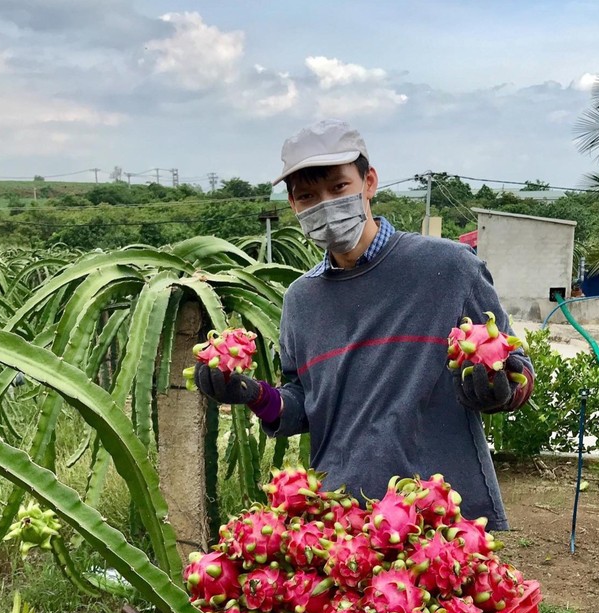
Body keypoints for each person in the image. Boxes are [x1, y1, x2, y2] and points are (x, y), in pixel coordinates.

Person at [193, 118, 534, 530]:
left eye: (338, 188)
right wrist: (252, 394)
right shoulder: (301, 300)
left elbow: (515, 368)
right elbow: (304, 404)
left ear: (369, 182)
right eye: (307, 196)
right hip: (342, 523)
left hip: (445, 520)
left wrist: (498, 388)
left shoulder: (448, 268)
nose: (324, 205)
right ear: (293, 206)